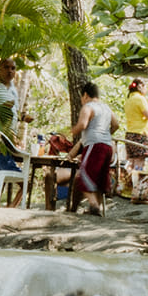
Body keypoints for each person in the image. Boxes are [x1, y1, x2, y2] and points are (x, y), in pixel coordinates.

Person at [65, 81, 117, 216]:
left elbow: (82, 124)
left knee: (84, 174)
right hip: (107, 146)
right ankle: (97, 207)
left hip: (94, 145)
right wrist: (105, 134)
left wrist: (72, 131)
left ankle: (93, 205)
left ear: (86, 95)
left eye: (81, 97)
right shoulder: (106, 108)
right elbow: (116, 125)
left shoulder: (88, 107)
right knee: (100, 177)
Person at [121, 79, 148, 198]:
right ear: (139, 86)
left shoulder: (129, 99)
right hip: (139, 134)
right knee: (139, 162)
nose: (146, 89)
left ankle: (127, 188)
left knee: (132, 162)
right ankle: (137, 190)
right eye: (145, 86)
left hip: (130, 133)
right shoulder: (140, 98)